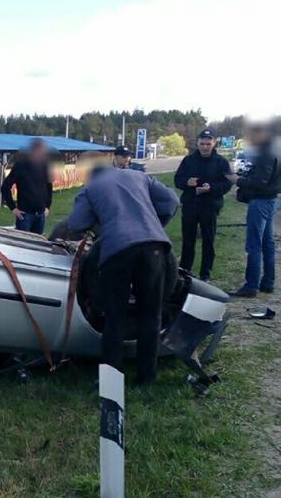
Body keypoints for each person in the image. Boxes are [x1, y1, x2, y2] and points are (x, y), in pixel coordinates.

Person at [66, 166, 179, 384]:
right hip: (155, 247)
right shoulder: (139, 176)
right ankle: (147, 377)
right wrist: (155, 224)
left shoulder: (90, 189)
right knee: (150, 315)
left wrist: (102, 224)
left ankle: (111, 379)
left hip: (117, 252)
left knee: (115, 317)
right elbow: (172, 201)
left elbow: (76, 223)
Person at [226, 120, 280, 297]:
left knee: (254, 244)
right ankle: (268, 282)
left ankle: (251, 286)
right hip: (272, 200)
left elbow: (260, 182)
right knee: (267, 243)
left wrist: (238, 180)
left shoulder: (265, 153)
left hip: (260, 202)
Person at [173, 129, 231, 281]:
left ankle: (205, 273)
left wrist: (211, 188)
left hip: (210, 206)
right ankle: (184, 271)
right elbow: (177, 180)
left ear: (214, 143)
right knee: (188, 240)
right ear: (197, 143)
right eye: (202, 144)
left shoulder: (221, 162)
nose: (205, 147)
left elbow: (227, 184)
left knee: (208, 240)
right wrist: (187, 182)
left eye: (208, 144)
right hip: (191, 205)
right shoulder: (188, 160)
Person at [1, 139, 53, 234]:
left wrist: (47, 206)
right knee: (23, 246)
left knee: (37, 246)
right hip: (25, 215)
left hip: (41, 215)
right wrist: (13, 208)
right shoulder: (20, 166)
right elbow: (5, 187)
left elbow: (49, 186)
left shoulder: (44, 166)